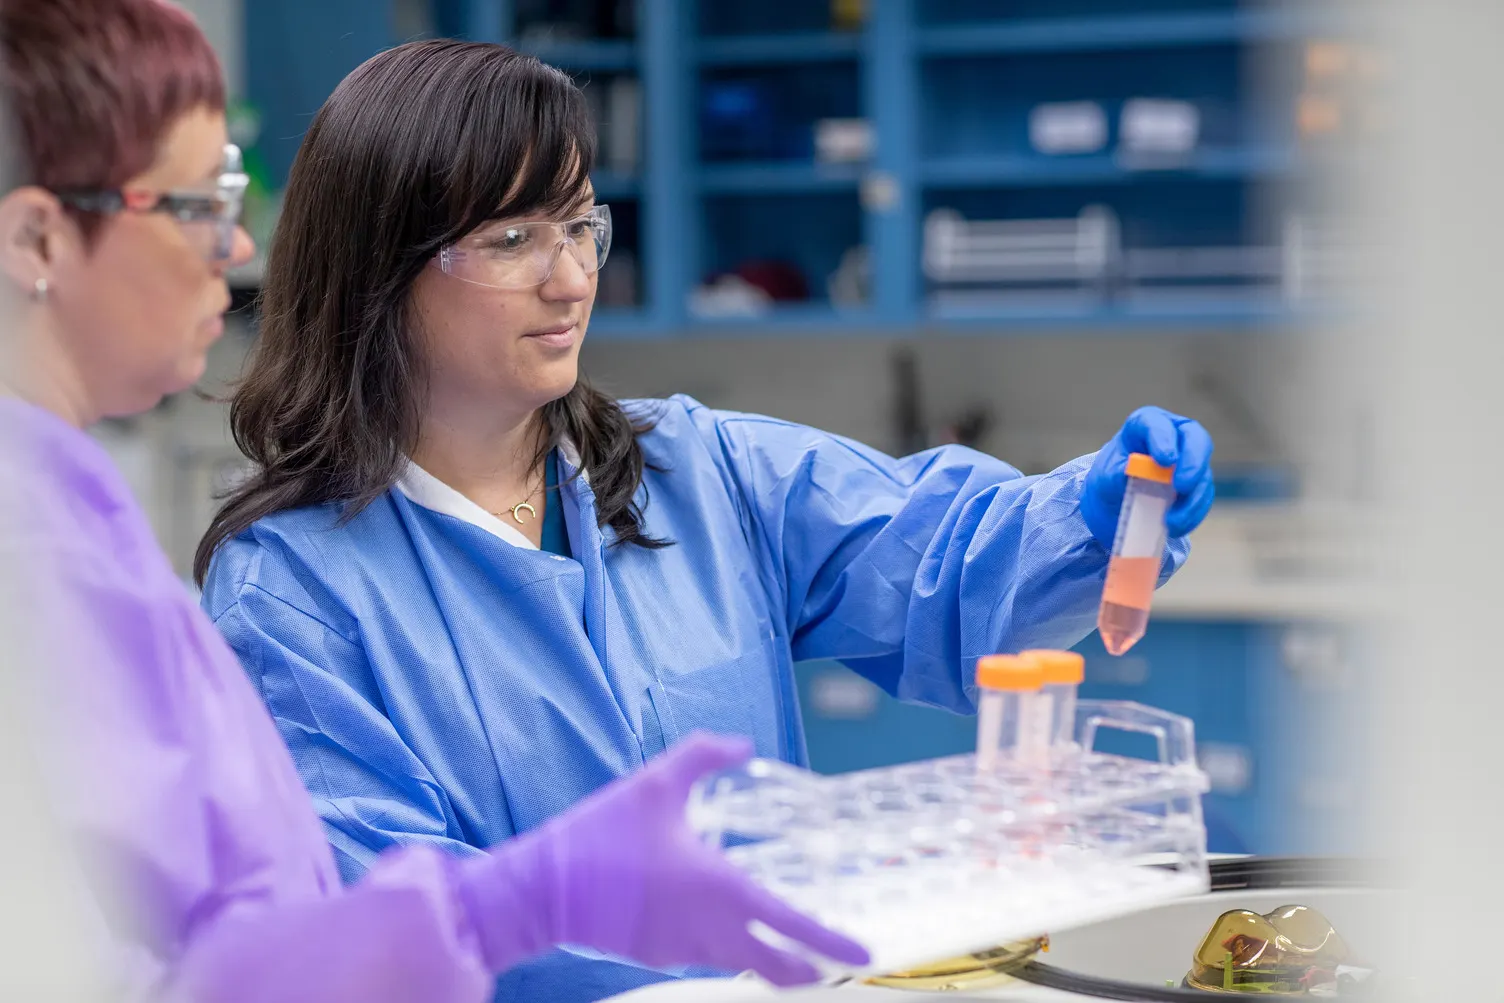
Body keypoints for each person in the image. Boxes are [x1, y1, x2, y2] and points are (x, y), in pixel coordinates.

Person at [195, 37, 1217, 1002]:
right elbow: (378, 931)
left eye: (580, 223)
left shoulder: (694, 468)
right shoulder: (292, 593)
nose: (570, 277)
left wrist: (1090, 513)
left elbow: (941, 572)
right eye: (512, 240)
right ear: (379, 271)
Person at [0, 2, 870, 1000]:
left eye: (580, 224)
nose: (236, 246)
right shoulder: (65, 568)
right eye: (197, 205)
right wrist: (513, 906)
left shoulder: (72, 512)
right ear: (38, 236)